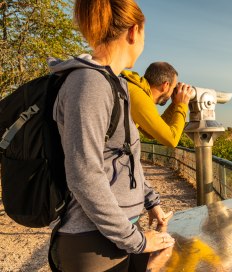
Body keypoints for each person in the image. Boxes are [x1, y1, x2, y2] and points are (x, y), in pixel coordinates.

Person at [49, 0, 174, 271]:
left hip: (116, 234)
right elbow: (84, 174)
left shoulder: (114, 83)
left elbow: (122, 159)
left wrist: (150, 200)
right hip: (92, 242)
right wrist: (137, 242)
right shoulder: (89, 84)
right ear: (133, 31)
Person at [121, 62, 194, 147]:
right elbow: (172, 140)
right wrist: (182, 104)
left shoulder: (133, 88)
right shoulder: (138, 96)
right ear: (165, 85)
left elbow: (151, 133)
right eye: (173, 88)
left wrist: (174, 104)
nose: (173, 92)